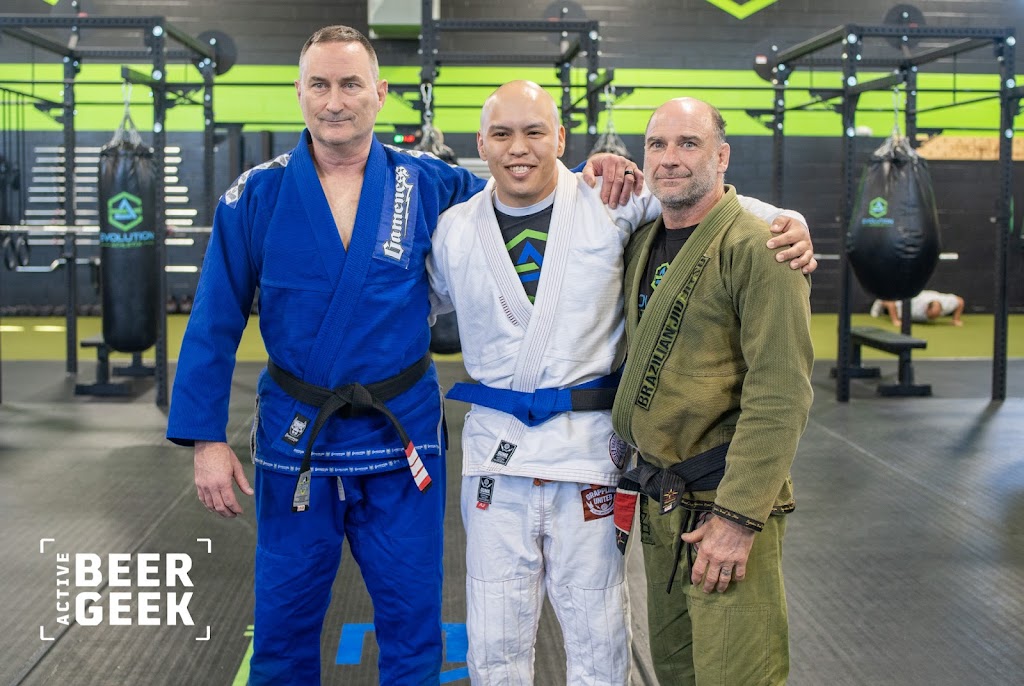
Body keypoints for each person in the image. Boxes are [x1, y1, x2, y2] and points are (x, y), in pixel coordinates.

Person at [164, 25, 648, 686]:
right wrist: (206, 440)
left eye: (351, 84)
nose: (335, 101)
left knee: (413, 628)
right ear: (300, 92)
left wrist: (600, 172)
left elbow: (526, 187)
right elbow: (213, 319)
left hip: (401, 441)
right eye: (320, 85)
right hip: (298, 436)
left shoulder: (429, 182)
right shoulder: (255, 196)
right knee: (281, 628)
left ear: (380, 93)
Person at [428, 82, 815, 684]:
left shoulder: (611, 203)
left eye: (534, 132)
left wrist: (791, 223)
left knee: (600, 635)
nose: (518, 147)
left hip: (587, 453)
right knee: (493, 633)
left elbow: (712, 206)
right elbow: (401, 308)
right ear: (480, 144)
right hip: (496, 456)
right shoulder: (452, 231)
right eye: (501, 134)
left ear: (561, 139)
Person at [611, 98, 814, 685]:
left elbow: (781, 393)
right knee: (676, 670)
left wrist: (737, 519)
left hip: (724, 501)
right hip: (664, 502)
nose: (669, 158)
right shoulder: (642, 242)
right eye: (657, 144)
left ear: (722, 157)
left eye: (688, 143)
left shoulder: (761, 247)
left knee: (736, 674)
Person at [872, 290, 965, 326]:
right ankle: (879, 301)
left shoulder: (947, 304)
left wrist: (956, 319)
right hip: (911, 298)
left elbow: (960, 301)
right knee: (886, 300)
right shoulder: (913, 304)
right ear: (926, 309)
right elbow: (891, 304)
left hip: (931, 295)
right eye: (932, 316)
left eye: (936, 316)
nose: (933, 318)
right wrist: (895, 320)